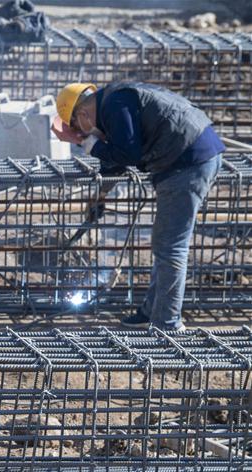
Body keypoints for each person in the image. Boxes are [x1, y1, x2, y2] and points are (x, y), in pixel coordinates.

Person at [53, 81, 225, 333]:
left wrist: (88, 144)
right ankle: (151, 310)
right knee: (164, 243)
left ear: (82, 114)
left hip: (187, 162)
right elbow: (116, 162)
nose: (83, 133)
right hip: (189, 157)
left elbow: (127, 153)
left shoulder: (115, 105)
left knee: (170, 246)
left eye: (80, 129)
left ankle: (167, 323)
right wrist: (100, 197)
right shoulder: (113, 103)